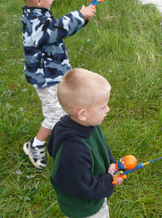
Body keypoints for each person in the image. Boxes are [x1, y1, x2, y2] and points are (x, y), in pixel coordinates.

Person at [19, 0, 96, 169]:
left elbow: (59, 31)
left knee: (63, 110)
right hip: (45, 78)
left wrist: (83, 18)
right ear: (39, 0)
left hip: (54, 75)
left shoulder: (39, 15)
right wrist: (79, 15)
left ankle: (61, 140)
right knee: (55, 114)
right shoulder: (34, 22)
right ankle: (35, 145)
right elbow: (56, 29)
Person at [48, 68, 123, 218]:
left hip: (95, 192)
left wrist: (111, 162)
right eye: (103, 107)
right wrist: (110, 180)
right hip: (85, 209)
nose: (108, 109)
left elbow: (102, 144)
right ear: (83, 114)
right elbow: (83, 188)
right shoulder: (74, 149)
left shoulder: (88, 125)